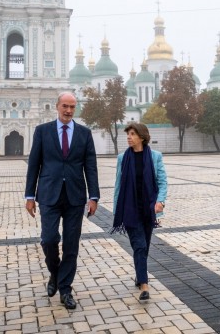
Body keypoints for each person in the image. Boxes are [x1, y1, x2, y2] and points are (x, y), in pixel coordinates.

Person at [25, 92, 100, 310]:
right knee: (48, 239)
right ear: (57, 106)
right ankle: (55, 274)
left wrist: (93, 196)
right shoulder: (42, 131)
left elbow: (91, 167)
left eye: (72, 107)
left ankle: (65, 289)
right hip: (49, 195)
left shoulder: (84, 133)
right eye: (65, 106)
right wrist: (30, 195)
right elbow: (34, 164)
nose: (68, 111)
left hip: (75, 197)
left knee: (71, 244)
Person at [111, 122, 167, 301]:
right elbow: (118, 185)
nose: (129, 137)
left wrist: (160, 202)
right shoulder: (122, 158)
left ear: (142, 137)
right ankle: (144, 285)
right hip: (130, 209)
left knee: (144, 246)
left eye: (133, 134)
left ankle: (139, 274)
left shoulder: (155, 157)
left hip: (148, 209)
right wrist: (116, 209)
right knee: (140, 245)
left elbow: (162, 182)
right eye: (128, 134)